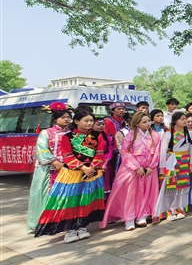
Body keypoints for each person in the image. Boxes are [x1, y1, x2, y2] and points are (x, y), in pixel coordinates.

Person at [35, 108, 107, 243]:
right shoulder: (67, 137)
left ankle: (82, 226)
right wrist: (83, 168)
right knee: (70, 200)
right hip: (72, 173)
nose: (89, 123)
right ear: (77, 121)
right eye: (86, 121)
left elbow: (100, 153)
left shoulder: (98, 135)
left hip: (92, 173)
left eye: (91, 121)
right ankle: (69, 229)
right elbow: (67, 156)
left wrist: (91, 168)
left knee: (86, 200)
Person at [101, 112, 162, 230]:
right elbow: (125, 152)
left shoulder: (155, 135)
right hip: (132, 168)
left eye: (149, 121)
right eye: (144, 122)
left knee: (146, 192)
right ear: (137, 123)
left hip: (149, 168)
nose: (148, 123)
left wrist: (151, 166)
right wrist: (136, 167)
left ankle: (142, 214)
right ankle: (129, 218)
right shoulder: (130, 135)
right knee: (131, 193)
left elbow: (157, 152)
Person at [27, 104, 70, 233]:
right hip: (48, 169)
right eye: (63, 117)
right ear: (55, 119)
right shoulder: (46, 133)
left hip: (68, 168)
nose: (66, 119)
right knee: (44, 194)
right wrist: (54, 162)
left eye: (68, 117)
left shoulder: (72, 133)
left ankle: (62, 221)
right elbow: (42, 150)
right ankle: (42, 222)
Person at [154, 112, 192, 222]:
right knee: (170, 186)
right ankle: (169, 210)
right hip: (172, 162)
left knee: (182, 186)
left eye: (185, 119)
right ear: (175, 121)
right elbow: (163, 151)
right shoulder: (168, 134)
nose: (185, 121)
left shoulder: (189, 134)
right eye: (182, 119)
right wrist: (163, 167)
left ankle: (180, 208)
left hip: (185, 160)